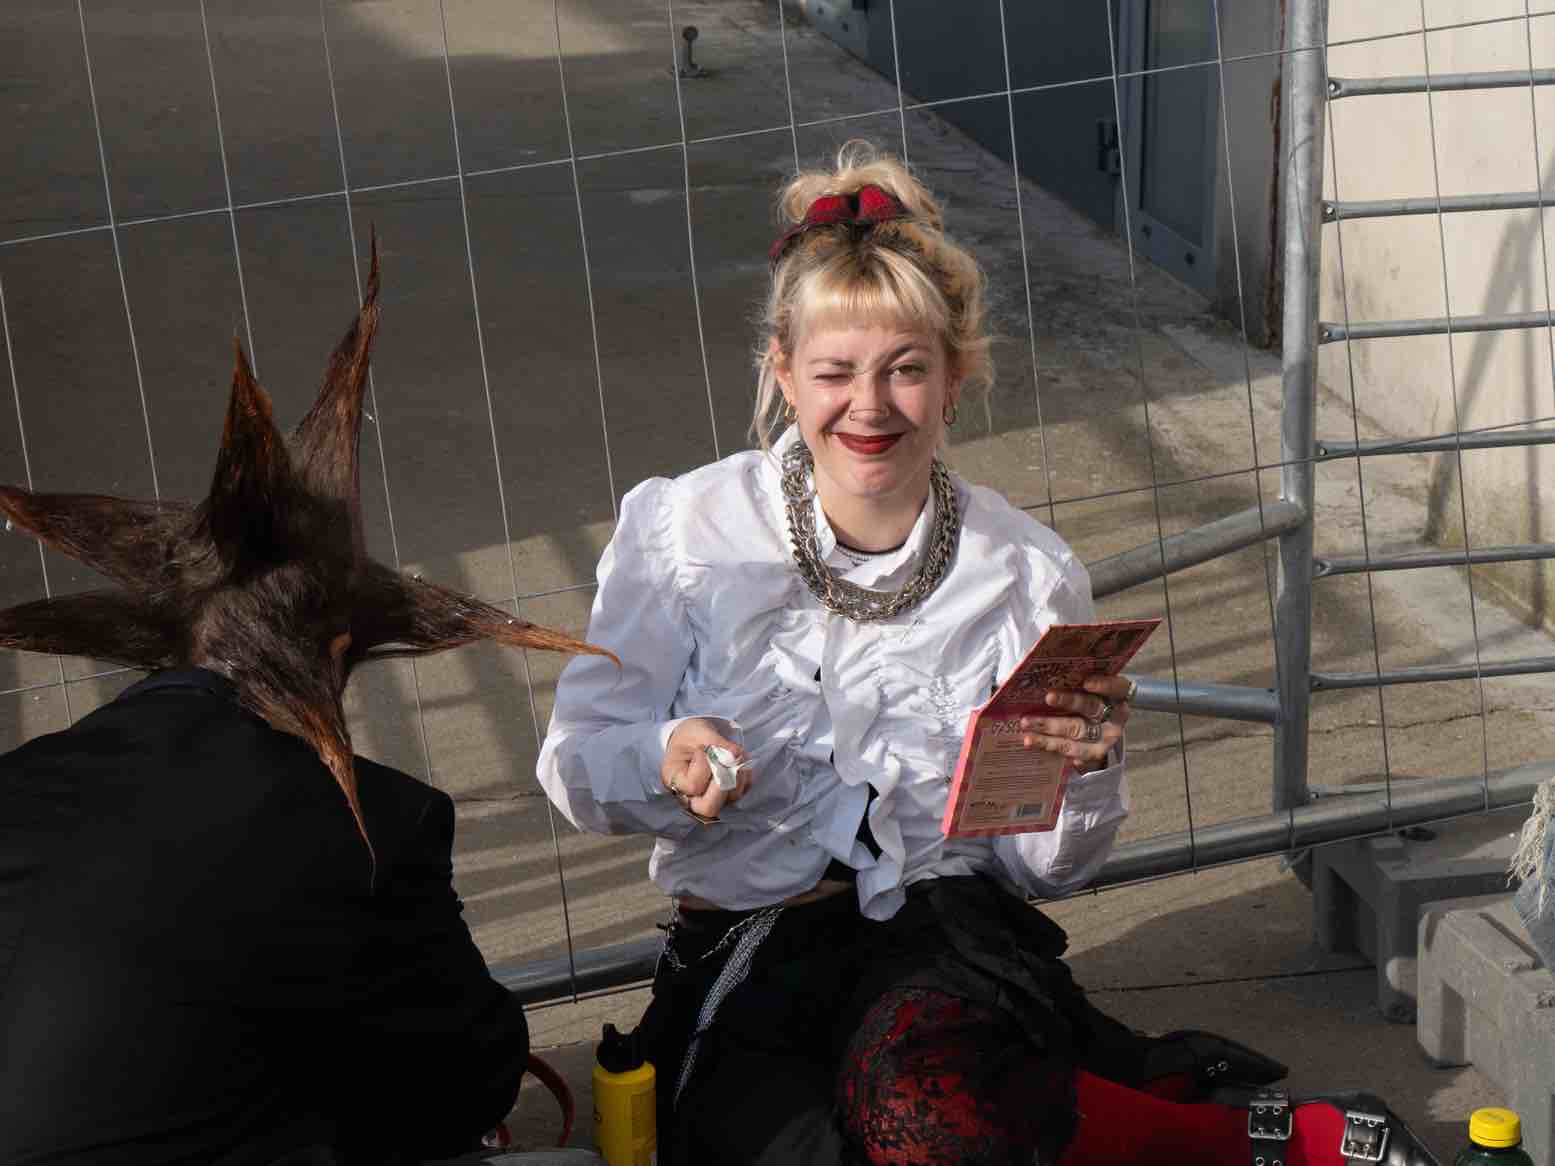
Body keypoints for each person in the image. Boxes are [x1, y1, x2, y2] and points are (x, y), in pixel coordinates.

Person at [537, 143, 1442, 1166]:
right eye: (834, 371)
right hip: (748, 943)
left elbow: (1036, 869)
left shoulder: (1022, 570)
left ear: (955, 375)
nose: (867, 406)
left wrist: (1083, 769)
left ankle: (1269, 1142)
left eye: (905, 369)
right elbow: (573, 763)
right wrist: (663, 755)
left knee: (933, 1124)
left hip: (939, 937)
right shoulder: (683, 531)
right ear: (783, 372)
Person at [0, 244, 607, 1165]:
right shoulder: (380, 825)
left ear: (175, 634)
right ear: (332, 654)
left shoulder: (22, 782)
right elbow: (467, 1082)